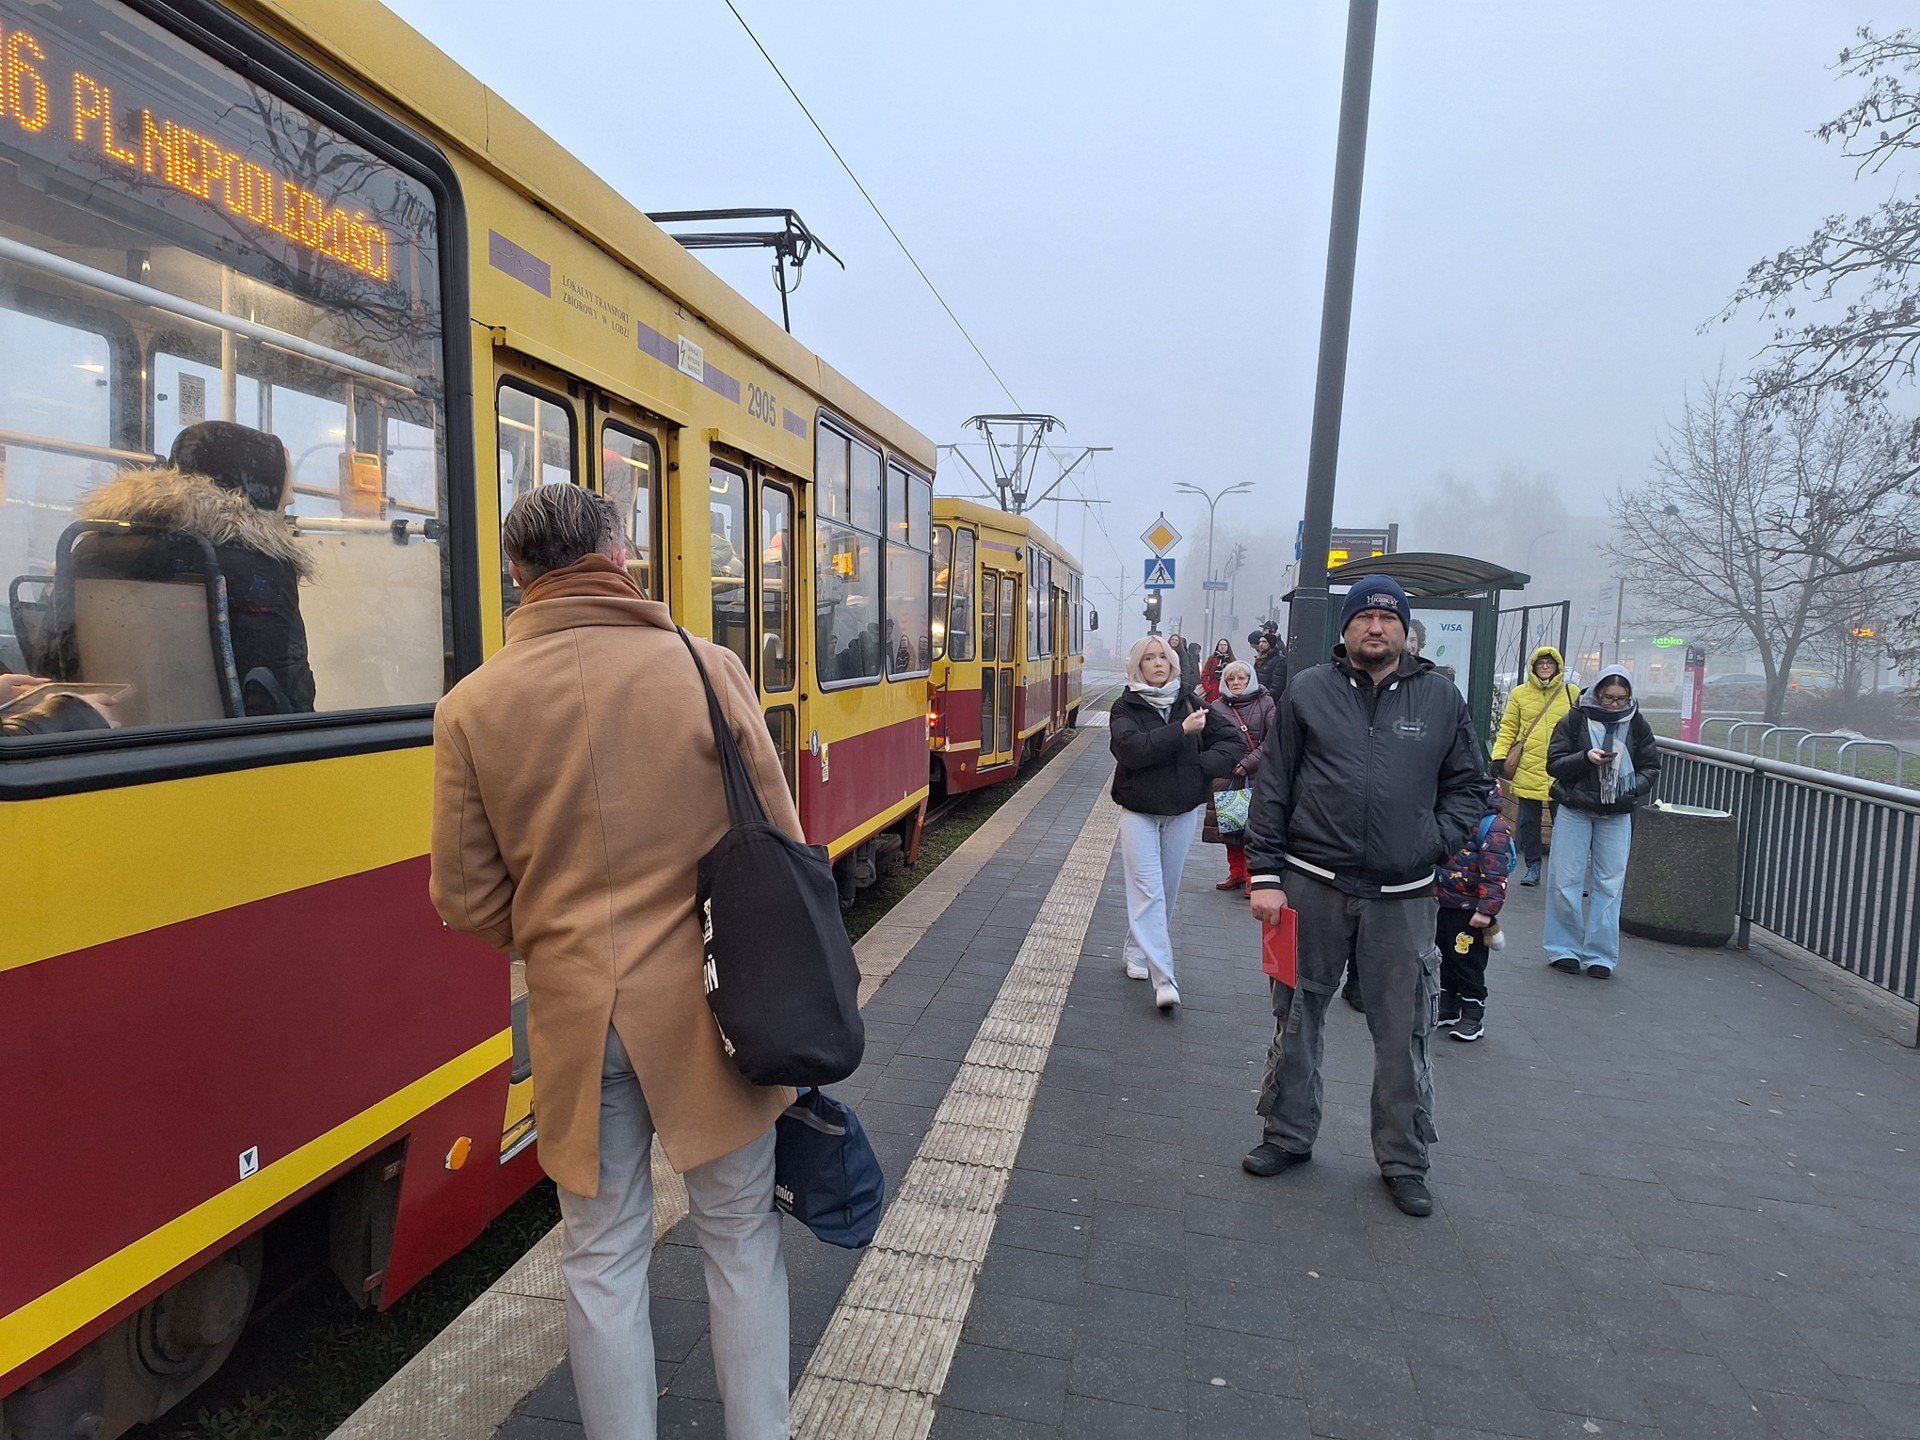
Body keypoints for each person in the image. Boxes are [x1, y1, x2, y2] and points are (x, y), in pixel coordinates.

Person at [429, 484, 798, 1440]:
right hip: (714, 1013)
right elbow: (783, 840)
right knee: (740, 1236)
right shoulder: (707, 670)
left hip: (572, 1016)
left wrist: (556, 936)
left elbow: (465, 898)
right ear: (618, 554)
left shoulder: (472, 705)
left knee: (598, 1257)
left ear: (519, 575)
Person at [1240, 575, 1486, 1218]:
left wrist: (1433, 842)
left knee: (1403, 1030)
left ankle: (1404, 1160)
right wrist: (1263, 874)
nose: (1375, 627)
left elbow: (1469, 786)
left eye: (1388, 618)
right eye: (1364, 618)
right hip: (1309, 883)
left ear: (1406, 631)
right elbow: (1274, 786)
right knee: (1296, 1017)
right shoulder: (1307, 692)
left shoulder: (1440, 698)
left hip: (1402, 896)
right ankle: (1287, 1135)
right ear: (1345, 630)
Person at [78, 422, 316, 715]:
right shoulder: (259, 567)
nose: (289, 498)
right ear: (254, 485)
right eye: (283, 483)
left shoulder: (91, 548)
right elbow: (283, 686)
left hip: (106, 729)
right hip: (229, 745)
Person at [1109, 634, 1246, 1011]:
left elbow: (1234, 743)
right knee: (1147, 890)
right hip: (1139, 810)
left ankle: (1136, 951)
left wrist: (1198, 769)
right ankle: (1163, 976)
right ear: (1137, 666)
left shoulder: (1191, 702)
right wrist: (1181, 732)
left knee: (1166, 889)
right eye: (1149, 658)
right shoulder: (1125, 707)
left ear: (1172, 663)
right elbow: (1132, 750)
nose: (1158, 664)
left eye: (1164, 658)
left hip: (1182, 810)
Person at [1543, 665, 1660, 978]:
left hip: (1616, 811)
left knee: (1610, 884)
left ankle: (1601, 955)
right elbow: (1553, 763)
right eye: (1608, 698)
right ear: (1596, 693)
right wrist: (1586, 758)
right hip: (1575, 807)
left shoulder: (1637, 723)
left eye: (1621, 699)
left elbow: (1651, 766)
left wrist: (1629, 787)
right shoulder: (1575, 718)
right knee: (1565, 879)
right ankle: (1563, 948)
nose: (1614, 705)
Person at [1433, 778, 1516, 1042]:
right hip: (1445, 903)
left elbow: (1495, 874)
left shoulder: (1493, 829)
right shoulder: (1453, 820)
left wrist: (1486, 910)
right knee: (1445, 957)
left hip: (1471, 912)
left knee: (1468, 962)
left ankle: (1472, 1013)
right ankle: (1448, 1005)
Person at [1493, 646, 1579, 886]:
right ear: (1533, 666)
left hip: (1560, 768)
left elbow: (1581, 728)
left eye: (1549, 663)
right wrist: (1499, 756)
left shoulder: (1571, 692)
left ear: (1557, 667)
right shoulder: (1520, 694)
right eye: (1540, 663)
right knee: (1528, 823)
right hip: (1529, 767)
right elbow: (1508, 727)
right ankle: (1532, 867)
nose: (1544, 667)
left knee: (1564, 823)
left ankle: (1564, 871)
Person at [1208, 659, 1274, 891]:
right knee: (1230, 826)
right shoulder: (1217, 706)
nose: (1236, 683)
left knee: (1252, 830)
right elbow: (1210, 739)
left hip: (1256, 775)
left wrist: (1248, 763)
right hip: (1227, 774)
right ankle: (1235, 872)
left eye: (1241, 678)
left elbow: (1273, 739)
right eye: (1231, 679)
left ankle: (1251, 878)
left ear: (1250, 679)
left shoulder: (1265, 702)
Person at [1250, 629, 1290, 698]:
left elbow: (1277, 686)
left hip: (1267, 700)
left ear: (1271, 644)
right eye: (1260, 642)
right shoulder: (1259, 659)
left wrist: (1267, 698)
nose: (1261, 644)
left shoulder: (1279, 661)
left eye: (1264, 642)